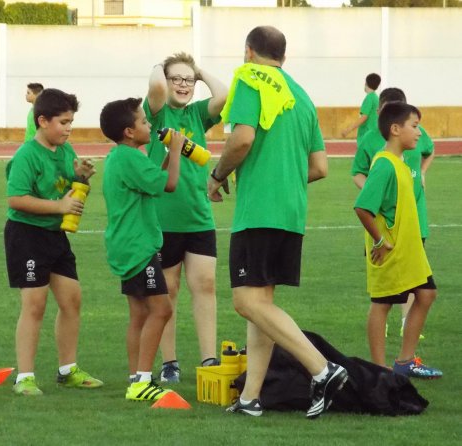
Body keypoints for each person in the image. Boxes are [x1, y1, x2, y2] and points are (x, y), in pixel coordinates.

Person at [207, 26, 348, 419]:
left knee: (245, 301)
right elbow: (320, 167)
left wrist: (217, 176)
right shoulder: (301, 97)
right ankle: (251, 398)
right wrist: (284, 177)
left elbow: (241, 139)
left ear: (248, 51)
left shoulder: (249, 78)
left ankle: (322, 369)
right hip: (290, 212)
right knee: (261, 304)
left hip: (260, 210)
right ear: (283, 56)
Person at [5, 88, 103, 396]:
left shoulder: (67, 151)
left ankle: (68, 370)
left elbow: (70, 192)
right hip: (26, 235)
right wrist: (59, 207)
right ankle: (25, 377)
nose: (68, 128)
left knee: (72, 300)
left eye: (71, 121)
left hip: (54, 236)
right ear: (42, 121)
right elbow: (16, 199)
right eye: (63, 122)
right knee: (34, 306)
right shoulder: (26, 155)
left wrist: (82, 178)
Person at [145, 52, 228, 383]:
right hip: (163, 219)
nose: (183, 85)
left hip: (199, 217)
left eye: (188, 81)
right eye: (176, 79)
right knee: (169, 289)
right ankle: (170, 362)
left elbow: (222, 95)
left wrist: (198, 71)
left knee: (205, 285)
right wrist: (159, 69)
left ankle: (209, 360)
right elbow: (154, 88)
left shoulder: (197, 114)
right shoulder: (155, 112)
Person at [100, 97, 185, 401]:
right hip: (139, 245)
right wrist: (175, 151)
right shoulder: (131, 158)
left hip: (125, 244)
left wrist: (166, 156)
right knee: (161, 310)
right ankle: (143, 382)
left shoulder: (120, 157)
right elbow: (171, 184)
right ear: (129, 132)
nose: (149, 125)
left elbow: (156, 180)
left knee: (139, 314)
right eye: (143, 121)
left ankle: (136, 375)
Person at [353, 102, 442, 379]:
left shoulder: (400, 163)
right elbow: (363, 207)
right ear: (395, 129)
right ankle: (379, 369)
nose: (419, 133)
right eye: (414, 127)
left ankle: (404, 361)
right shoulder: (384, 165)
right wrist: (380, 242)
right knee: (382, 304)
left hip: (408, 252)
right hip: (391, 252)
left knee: (426, 294)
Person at [341, 73, 381, 144]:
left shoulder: (369, 98)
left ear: (366, 83)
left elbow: (364, 117)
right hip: (373, 132)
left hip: (366, 134)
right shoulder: (376, 98)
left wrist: (348, 130)